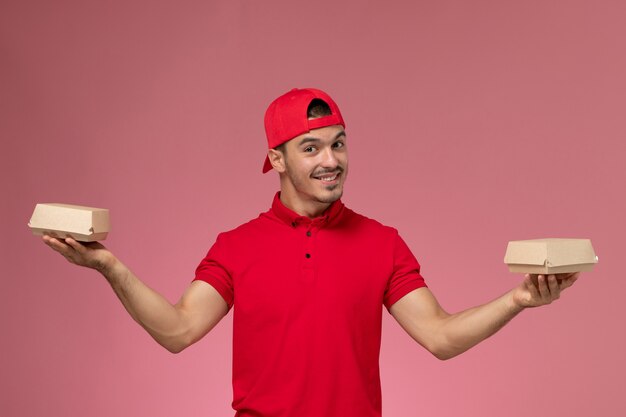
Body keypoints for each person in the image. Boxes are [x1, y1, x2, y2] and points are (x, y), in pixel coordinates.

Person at [43, 87, 579, 417]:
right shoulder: (237, 246)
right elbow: (179, 330)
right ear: (276, 159)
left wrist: (517, 300)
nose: (332, 160)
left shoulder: (382, 242)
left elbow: (439, 336)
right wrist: (108, 267)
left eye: (339, 143)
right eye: (312, 147)